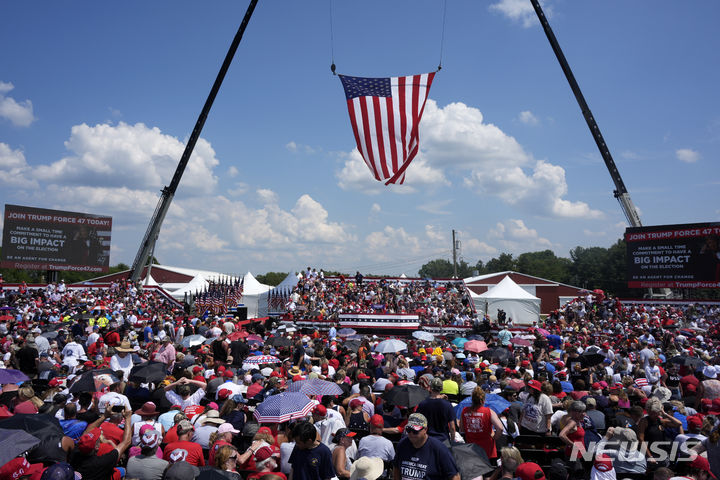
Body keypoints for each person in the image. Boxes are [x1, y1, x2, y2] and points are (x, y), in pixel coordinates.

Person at [393, 413, 460, 480]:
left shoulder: (439, 449)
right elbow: (396, 469)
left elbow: (455, 476)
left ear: (425, 430)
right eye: (408, 430)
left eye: (415, 431)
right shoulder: (402, 444)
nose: (411, 434)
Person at [71, 409, 133, 480]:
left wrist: (104, 416)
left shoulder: (75, 453)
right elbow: (126, 442)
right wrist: (128, 418)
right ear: (97, 447)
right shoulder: (101, 462)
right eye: (98, 440)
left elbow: (86, 432)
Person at [460, 386, 504, 460]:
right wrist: (495, 437)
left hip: (471, 447)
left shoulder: (464, 411)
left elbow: (462, 430)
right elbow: (500, 428)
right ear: (483, 400)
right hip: (486, 448)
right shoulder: (489, 411)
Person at [415, 377, 456, 442]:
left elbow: (417, 423)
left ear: (430, 388)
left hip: (427, 440)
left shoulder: (422, 404)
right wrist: (452, 441)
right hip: (443, 440)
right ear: (441, 389)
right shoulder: (447, 404)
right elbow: (452, 427)